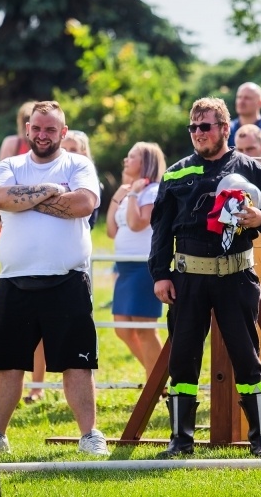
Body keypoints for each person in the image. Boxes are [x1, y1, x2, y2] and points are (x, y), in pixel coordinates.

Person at [150, 96, 261, 458]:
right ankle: (180, 441)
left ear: (225, 129)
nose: (198, 133)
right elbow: (161, 230)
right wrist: (159, 275)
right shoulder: (177, 172)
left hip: (235, 276)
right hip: (187, 280)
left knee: (246, 356)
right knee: (182, 358)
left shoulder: (251, 167)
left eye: (205, 126)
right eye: (193, 127)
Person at [0, 100, 108, 456]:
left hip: (67, 280)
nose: (42, 135)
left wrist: (28, 199)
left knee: (77, 364)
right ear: (27, 130)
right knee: (6, 366)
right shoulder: (10, 164)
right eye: (36, 128)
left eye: (50, 129)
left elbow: (83, 204)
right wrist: (52, 192)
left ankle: (89, 435)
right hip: (14, 281)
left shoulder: (78, 163)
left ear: (63, 133)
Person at [23, 128, 98, 404]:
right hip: (35, 267)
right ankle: (37, 386)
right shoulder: (49, 179)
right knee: (37, 333)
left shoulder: (87, 179)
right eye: (67, 148)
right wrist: (52, 198)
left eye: (76, 148)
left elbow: (81, 209)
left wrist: (28, 201)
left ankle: (84, 392)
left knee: (76, 340)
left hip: (72, 268)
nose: (70, 153)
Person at [106, 142, 166, 380]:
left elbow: (136, 223)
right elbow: (111, 230)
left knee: (144, 329)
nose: (126, 161)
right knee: (122, 328)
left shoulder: (152, 192)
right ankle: (158, 378)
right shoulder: (131, 191)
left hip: (143, 267)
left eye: (132, 157)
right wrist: (116, 198)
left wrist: (131, 195)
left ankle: (158, 382)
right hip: (125, 268)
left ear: (145, 163)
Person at [226, 82, 261, 156]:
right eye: (239, 97)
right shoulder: (227, 129)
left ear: (260, 103)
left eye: (247, 98)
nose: (241, 102)